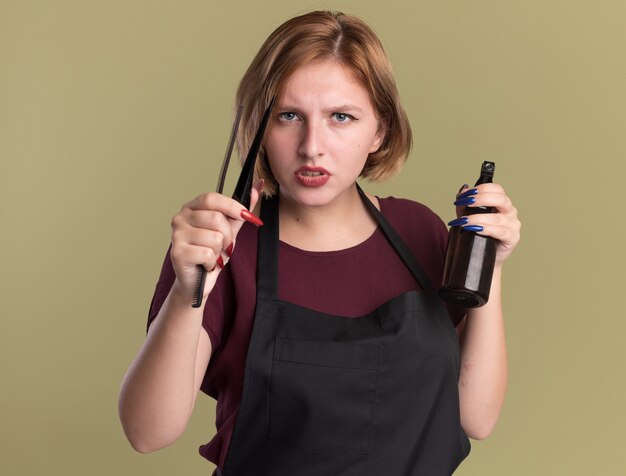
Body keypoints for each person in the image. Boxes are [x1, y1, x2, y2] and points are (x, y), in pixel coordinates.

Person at [118, 10, 520, 476]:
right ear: (260, 128)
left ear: (380, 131)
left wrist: (489, 261)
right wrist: (192, 289)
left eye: (341, 117)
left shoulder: (420, 231)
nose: (312, 145)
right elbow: (147, 434)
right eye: (289, 116)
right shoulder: (221, 247)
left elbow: (477, 416)